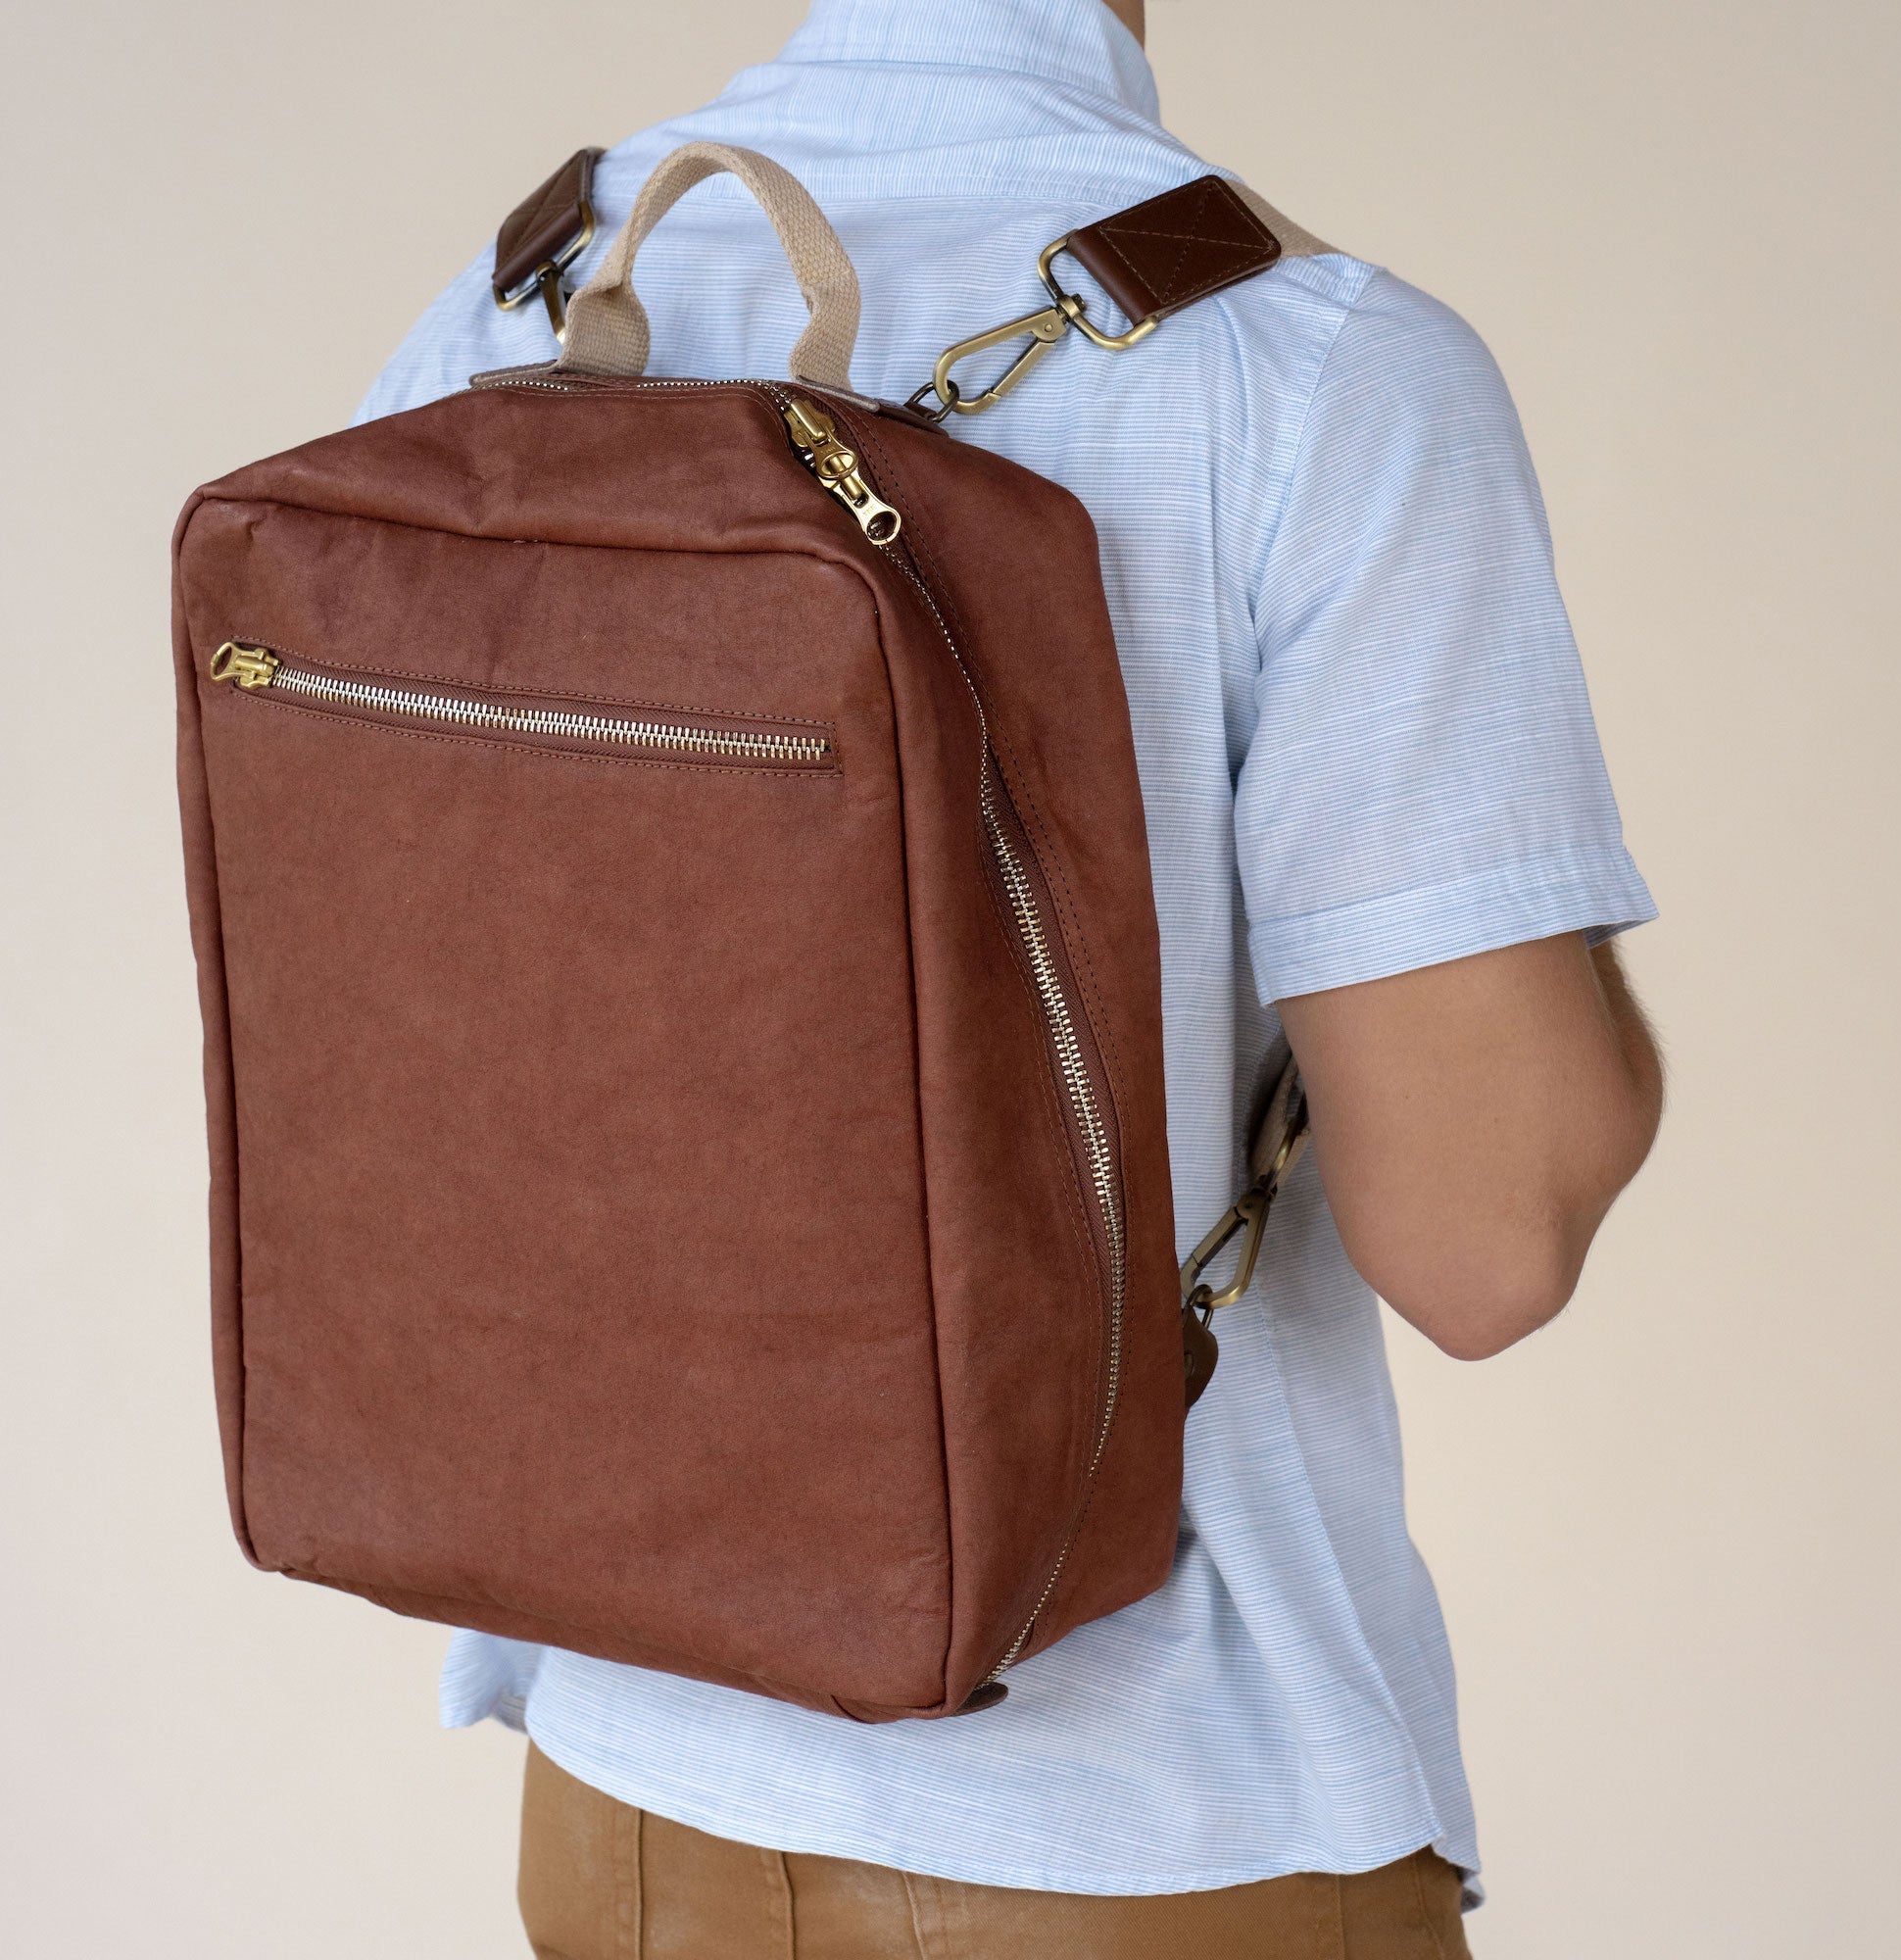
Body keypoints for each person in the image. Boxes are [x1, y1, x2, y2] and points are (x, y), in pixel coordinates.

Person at [358, 1, 1663, 1952]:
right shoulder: (1308, 366)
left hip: (619, 1795)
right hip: (1131, 1832)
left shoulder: (519, 288)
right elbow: (1488, 1240)